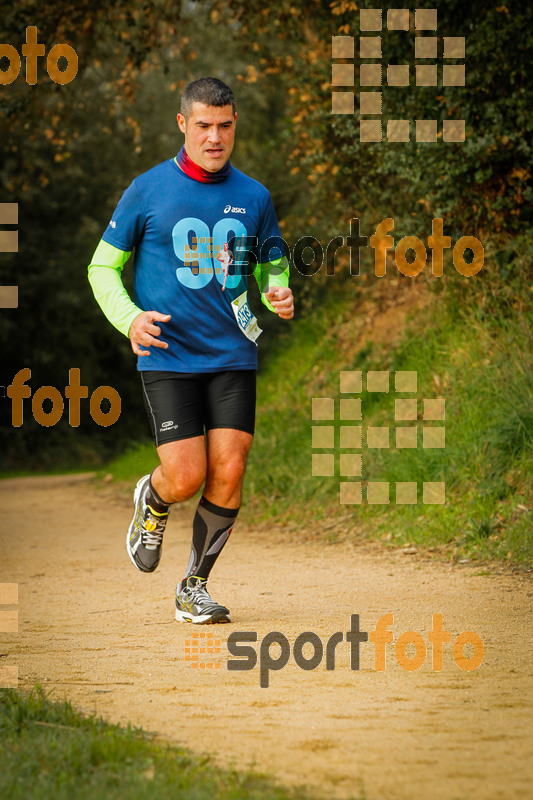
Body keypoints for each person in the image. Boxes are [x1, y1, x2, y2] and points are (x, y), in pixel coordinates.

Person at [88, 77, 294, 624]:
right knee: (184, 477)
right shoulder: (147, 189)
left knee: (230, 466)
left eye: (225, 125)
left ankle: (193, 587)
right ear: (183, 125)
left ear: (234, 126)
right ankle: (152, 501)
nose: (215, 136)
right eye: (203, 125)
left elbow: (271, 265)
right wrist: (129, 317)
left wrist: (278, 293)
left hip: (232, 352)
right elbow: (101, 266)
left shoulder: (254, 196)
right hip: (169, 354)